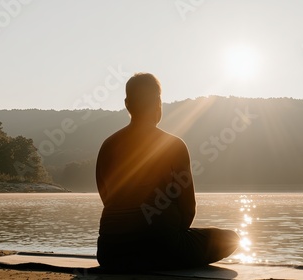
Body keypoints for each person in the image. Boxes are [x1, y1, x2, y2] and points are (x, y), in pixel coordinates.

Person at [96, 73, 239, 271]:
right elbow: (188, 207)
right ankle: (162, 254)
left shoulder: (107, 146)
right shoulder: (174, 145)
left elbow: (107, 198)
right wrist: (168, 235)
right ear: (158, 103)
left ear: (127, 104)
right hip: (163, 249)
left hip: (110, 253)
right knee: (231, 239)